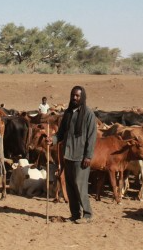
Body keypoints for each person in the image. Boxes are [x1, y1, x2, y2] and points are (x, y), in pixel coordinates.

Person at [46, 86, 97, 223]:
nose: (74, 98)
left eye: (77, 96)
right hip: (67, 155)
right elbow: (61, 134)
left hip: (81, 157)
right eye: (73, 95)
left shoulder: (88, 114)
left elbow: (92, 137)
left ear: (82, 97)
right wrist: (53, 140)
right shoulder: (68, 113)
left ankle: (87, 215)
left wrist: (88, 156)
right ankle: (75, 214)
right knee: (70, 187)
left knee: (80, 186)